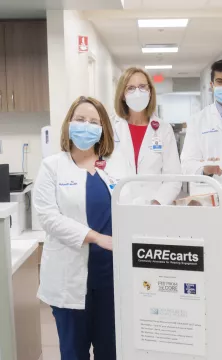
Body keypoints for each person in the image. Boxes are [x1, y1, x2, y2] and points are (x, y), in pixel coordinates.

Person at [34, 96, 124, 360]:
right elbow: (48, 217)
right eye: (80, 119)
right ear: (69, 124)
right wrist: (96, 238)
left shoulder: (116, 166)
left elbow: (132, 208)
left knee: (112, 351)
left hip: (110, 278)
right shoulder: (53, 166)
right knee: (74, 353)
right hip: (69, 279)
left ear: (103, 129)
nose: (86, 126)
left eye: (94, 121)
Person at [112, 67, 181, 205]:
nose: (137, 93)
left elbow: (173, 177)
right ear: (122, 95)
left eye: (142, 87)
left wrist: (157, 202)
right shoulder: (111, 127)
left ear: (150, 92)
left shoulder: (163, 129)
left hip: (154, 207)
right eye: (130, 88)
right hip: (119, 206)